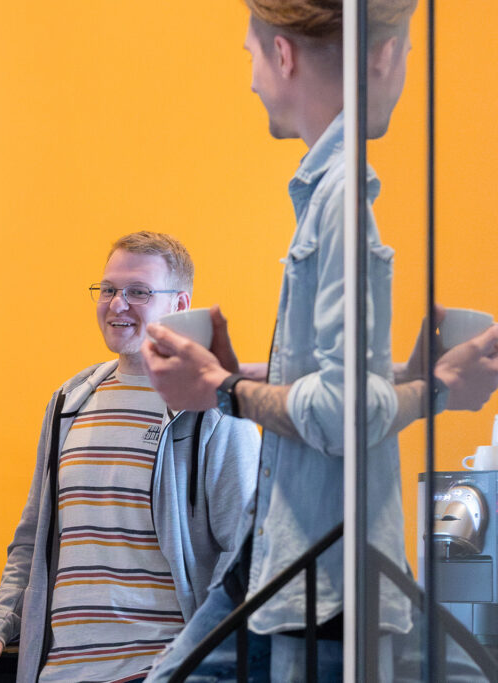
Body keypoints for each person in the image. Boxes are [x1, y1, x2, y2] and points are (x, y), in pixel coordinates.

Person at [141, 1, 498, 680]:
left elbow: (339, 412)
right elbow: (342, 392)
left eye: (250, 55)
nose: (250, 80)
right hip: (285, 566)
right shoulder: (330, 196)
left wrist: (223, 389)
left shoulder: (339, 203)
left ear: (282, 55)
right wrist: (418, 379)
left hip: (321, 585)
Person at [0, 232, 261, 682]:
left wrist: (199, 660)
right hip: (59, 672)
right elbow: (34, 539)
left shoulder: (216, 407)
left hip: (159, 669)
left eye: (138, 292)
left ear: (180, 304)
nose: (117, 305)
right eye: (108, 289)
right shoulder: (70, 401)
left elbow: (246, 552)